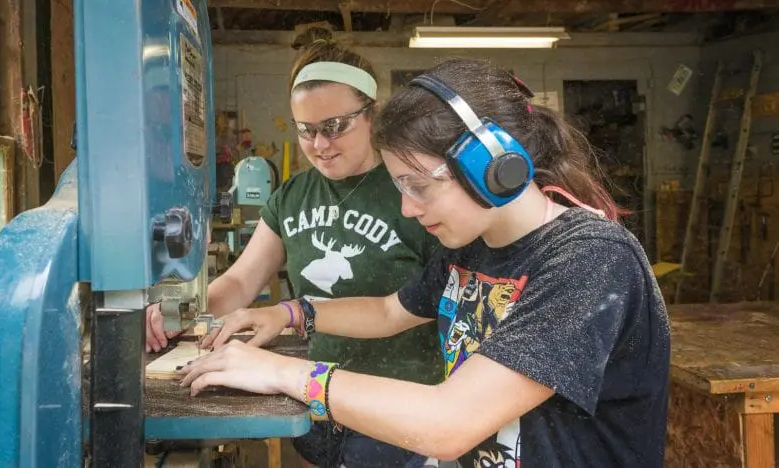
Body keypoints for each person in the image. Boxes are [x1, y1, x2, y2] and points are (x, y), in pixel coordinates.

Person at [176, 57, 671, 468]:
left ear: (492, 166)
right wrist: (293, 313)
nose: (408, 208)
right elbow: (392, 312)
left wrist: (284, 374)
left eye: (419, 186)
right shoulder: (473, 247)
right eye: (399, 187)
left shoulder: (590, 260)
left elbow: (448, 424)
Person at [146, 39, 444, 466]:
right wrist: (178, 312)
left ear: (373, 113)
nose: (319, 144)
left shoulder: (412, 192)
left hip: (397, 402)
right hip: (314, 397)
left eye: (335, 125)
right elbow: (241, 280)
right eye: (305, 129)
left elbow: (431, 303)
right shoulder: (292, 197)